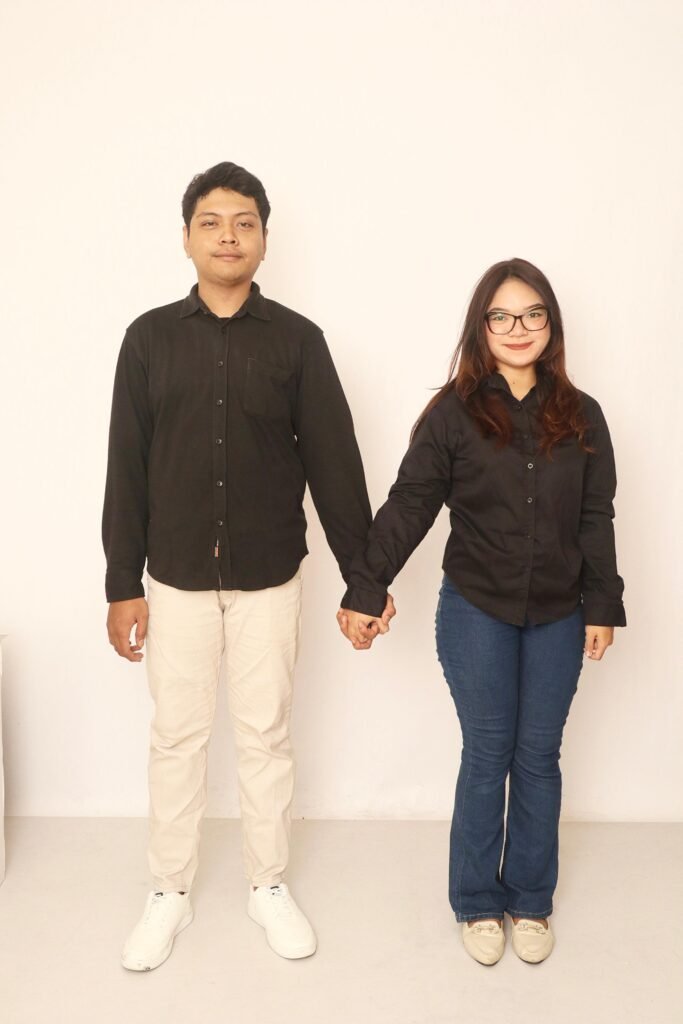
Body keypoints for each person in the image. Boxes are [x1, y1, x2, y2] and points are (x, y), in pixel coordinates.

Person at [102, 161, 394, 971]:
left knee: (265, 734)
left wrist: (364, 580)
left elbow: (335, 466)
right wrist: (122, 583)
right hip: (174, 579)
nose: (227, 236)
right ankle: (169, 889)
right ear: (186, 237)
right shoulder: (148, 340)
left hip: (270, 577)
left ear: (264, 238)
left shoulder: (298, 342)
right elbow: (126, 467)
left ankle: (267, 884)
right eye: (211, 222)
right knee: (176, 736)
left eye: (244, 223)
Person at [337, 258, 625, 965]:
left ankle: (529, 899)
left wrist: (602, 604)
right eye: (501, 315)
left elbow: (595, 515)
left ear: (550, 324)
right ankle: (475, 902)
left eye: (532, 314)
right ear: (481, 327)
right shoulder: (453, 414)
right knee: (489, 752)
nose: (517, 327)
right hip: (476, 608)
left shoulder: (581, 414)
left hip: (559, 612)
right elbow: (411, 503)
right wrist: (366, 588)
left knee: (539, 756)